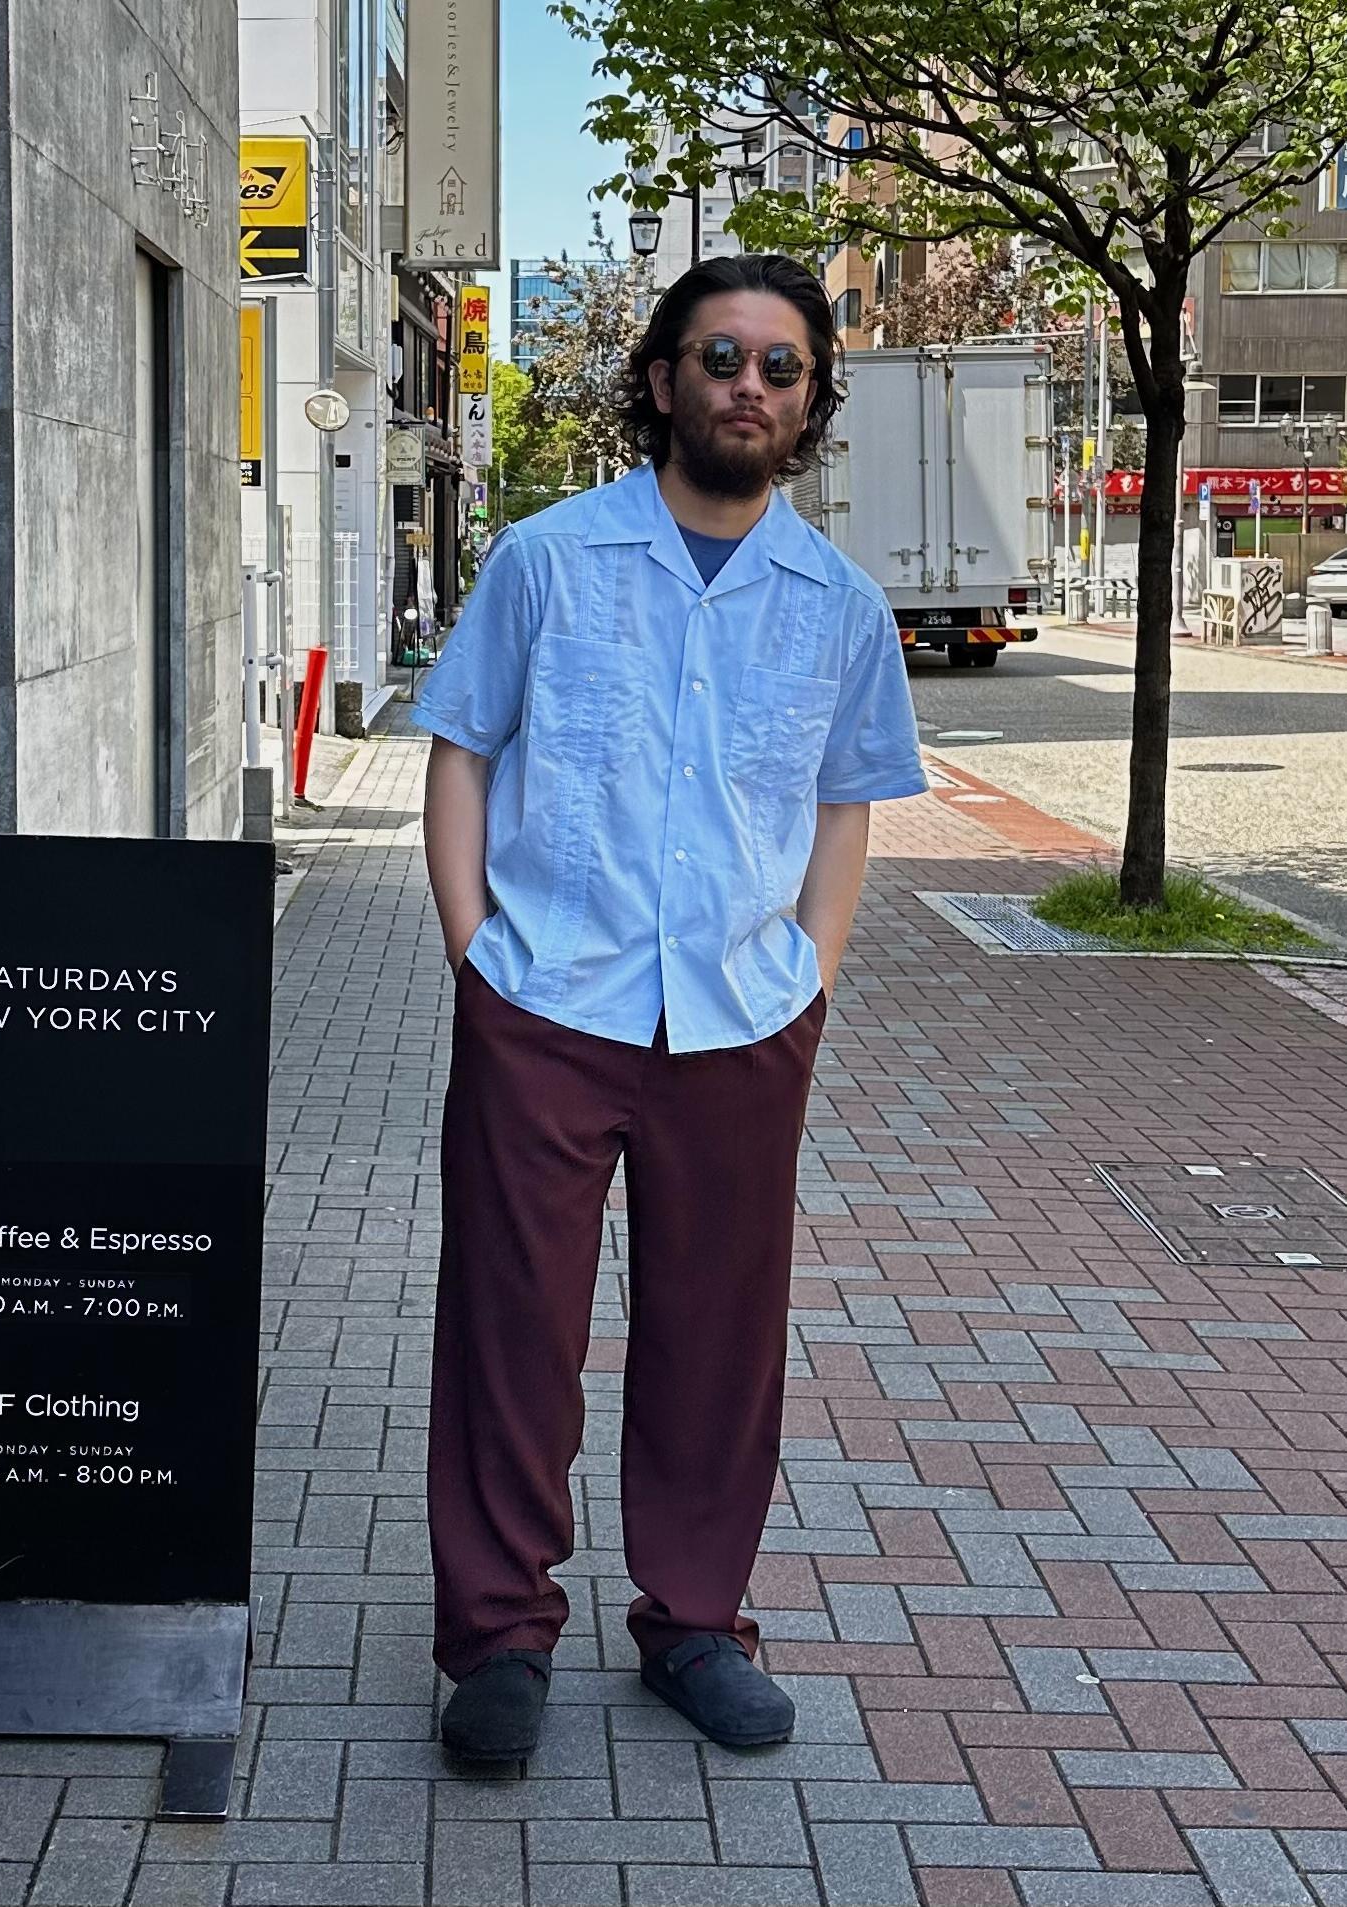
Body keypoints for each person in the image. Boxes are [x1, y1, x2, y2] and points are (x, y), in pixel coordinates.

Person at [415, 254, 926, 1761]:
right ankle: (497, 1635)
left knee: (718, 1333)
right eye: (719, 356)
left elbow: (842, 803)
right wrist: (475, 954)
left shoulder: (839, 606)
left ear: (811, 403)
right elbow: (462, 751)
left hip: (740, 1022)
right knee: (512, 1326)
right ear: (661, 380)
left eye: (781, 367)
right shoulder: (548, 561)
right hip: (545, 1006)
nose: (747, 386)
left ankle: (696, 1622)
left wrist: (809, 976)